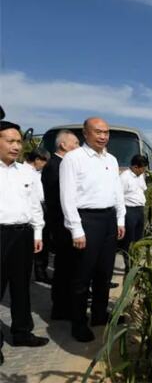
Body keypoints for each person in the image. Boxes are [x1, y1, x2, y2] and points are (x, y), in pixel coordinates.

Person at [60, 117, 126, 342]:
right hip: (87, 220)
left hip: (109, 219)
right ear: (85, 134)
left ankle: (99, 315)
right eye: (98, 132)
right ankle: (78, 323)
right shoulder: (73, 159)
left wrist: (120, 219)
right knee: (82, 275)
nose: (103, 136)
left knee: (104, 272)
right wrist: (76, 229)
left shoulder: (112, 159)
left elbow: (117, 191)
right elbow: (67, 196)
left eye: (106, 132)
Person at [0, 120, 49, 366]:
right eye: (10, 141)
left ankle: (22, 333)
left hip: (23, 235)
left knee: (21, 287)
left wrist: (38, 233)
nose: (16, 146)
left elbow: (34, 206)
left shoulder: (26, 172)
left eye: (19, 141)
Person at [41, 129, 80, 320]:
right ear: (63, 145)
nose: (78, 147)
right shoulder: (55, 166)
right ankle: (61, 308)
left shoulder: (63, 164)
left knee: (69, 266)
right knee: (64, 267)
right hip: (61, 225)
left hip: (65, 223)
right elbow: (60, 199)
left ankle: (67, 304)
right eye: (76, 143)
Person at [24, 148, 52, 283]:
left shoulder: (37, 172)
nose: (45, 165)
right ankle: (38, 272)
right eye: (45, 161)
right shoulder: (24, 172)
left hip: (41, 206)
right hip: (31, 210)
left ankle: (40, 272)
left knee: (42, 241)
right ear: (37, 160)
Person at [119, 154, 149, 274]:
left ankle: (135, 264)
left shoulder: (140, 176)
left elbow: (143, 189)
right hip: (129, 211)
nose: (144, 171)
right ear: (136, 167)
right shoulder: (124, 177)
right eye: (143, 168)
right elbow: (119, 196)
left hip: (139, 210)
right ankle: (129, 268)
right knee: (129, 242)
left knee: (138, 239)